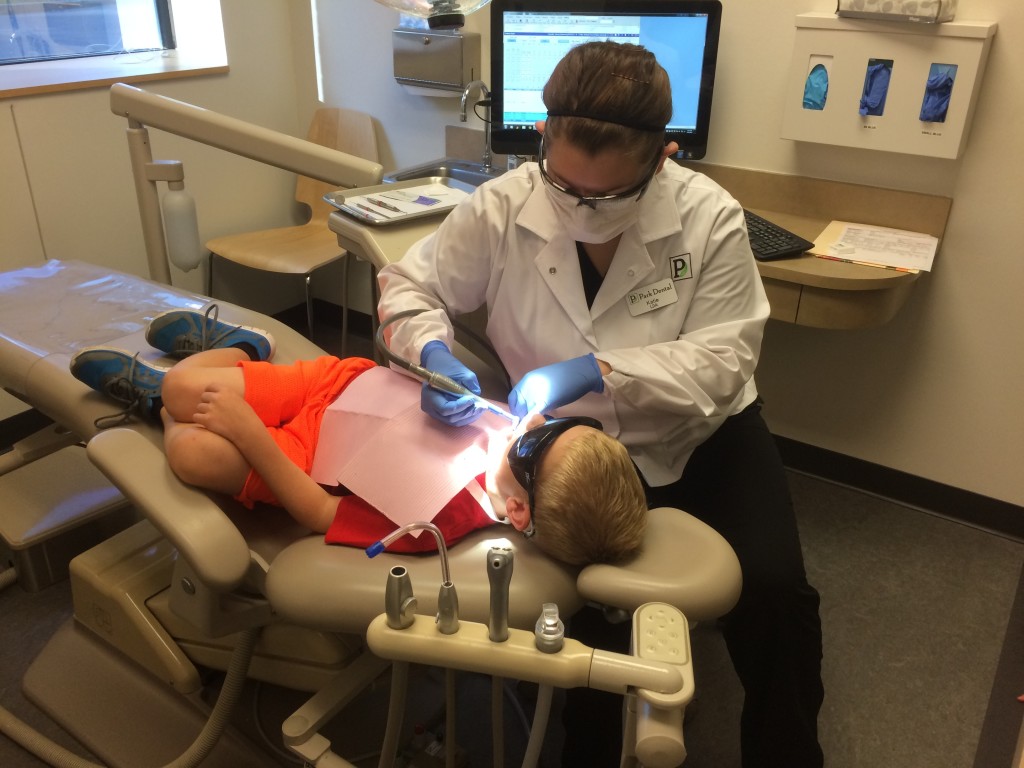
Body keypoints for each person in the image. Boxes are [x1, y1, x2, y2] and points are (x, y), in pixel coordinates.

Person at [377, 41, 825, 767]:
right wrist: (431, 352)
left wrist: (597, 369)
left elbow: (723, 359)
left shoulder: (708, 218)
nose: (583, 210)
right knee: (584, 614)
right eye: (566, 187)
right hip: (573, 445)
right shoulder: (503, 207)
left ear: (663, 158)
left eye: (610, 196)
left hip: (704, 432)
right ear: (545, 142)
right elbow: (408, 286)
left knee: (774, 596)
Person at [69, 306, 647, 565]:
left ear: (518, 511)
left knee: (191, 451)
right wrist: (434, 360)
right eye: (564, 421)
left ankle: (154, 396)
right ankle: (247, 346)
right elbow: (408, 321)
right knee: (183, 393)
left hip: (313, 458)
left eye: (535, 443)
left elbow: (320, 513)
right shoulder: (512, 426)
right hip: (338, 387)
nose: (536, 422)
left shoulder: (432, 524)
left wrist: (249, 435)